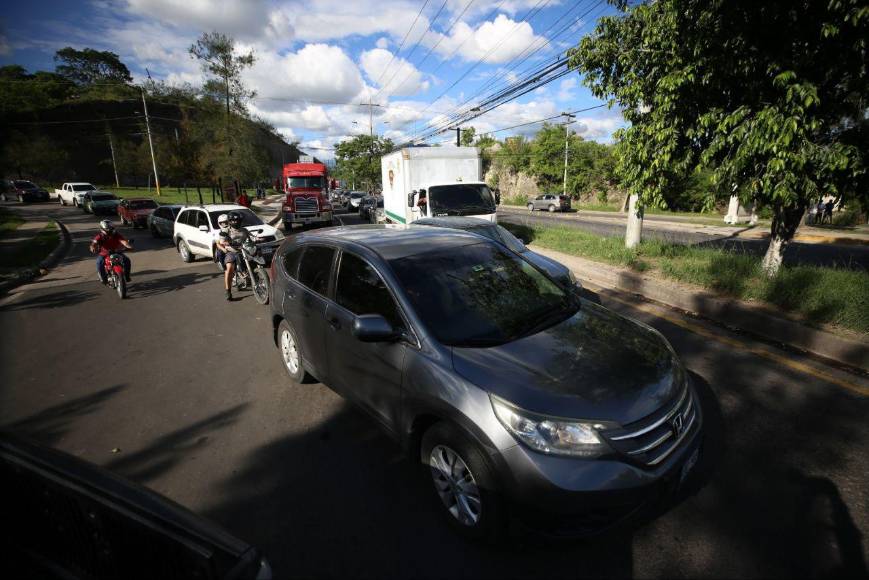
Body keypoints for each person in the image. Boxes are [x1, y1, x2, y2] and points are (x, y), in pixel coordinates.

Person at [216, 211, 252, 301]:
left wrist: (257, 238)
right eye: (233, 220)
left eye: (237, 220)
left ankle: (256, 276)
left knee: (255, 258)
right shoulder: (226, 230)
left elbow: (251, 237)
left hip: (243, 250)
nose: (235, 222)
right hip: (231, 251)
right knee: (229, 268)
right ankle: (228, 291)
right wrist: (228, 242)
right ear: (230, 221)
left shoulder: (244, 230)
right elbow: (221, 241)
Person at [90, 219, 132, 284]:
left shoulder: (116, 235)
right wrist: (93, 248)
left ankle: (127, 276)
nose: (110, 230)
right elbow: (93, 244)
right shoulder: (99, 236)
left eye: (111, 228)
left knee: (127, 260)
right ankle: (104, 278)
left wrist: (129, 246)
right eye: (108, 228)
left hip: (116, 252)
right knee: (99, 263)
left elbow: (123, 241)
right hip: (104, 254)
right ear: (103, 229)